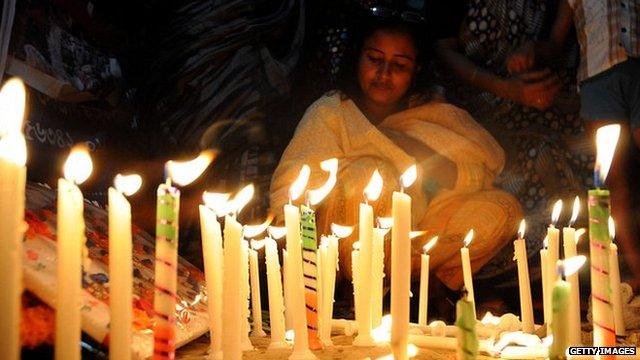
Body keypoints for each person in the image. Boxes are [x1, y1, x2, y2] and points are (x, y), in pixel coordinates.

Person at [269, 15, 522, 293]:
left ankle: (428, 291)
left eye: (399, 65)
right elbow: (289, 192)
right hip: (341, 248)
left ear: (416, 70)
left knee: (502, 208)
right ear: (357, 59)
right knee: (371, 176)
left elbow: (474, 177)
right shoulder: (332, 111)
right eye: (374, 59)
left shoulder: (430, 113)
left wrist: (410, 146)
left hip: (412, 241)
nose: (384, 73)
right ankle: (358, 294)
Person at [434, 0, 593, 266]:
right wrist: (506, 89)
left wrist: (536, 53)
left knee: (586, 156)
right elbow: (442, 50)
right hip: (477, 109)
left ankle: (576, 266)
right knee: (525, 165)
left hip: (545, 103)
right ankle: (513, 275)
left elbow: (557, 44)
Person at [505, 0, 640, 289]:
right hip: (597, 80)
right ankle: (636, 268)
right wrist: (532, 51)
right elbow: (556, 43)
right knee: (615, 180)